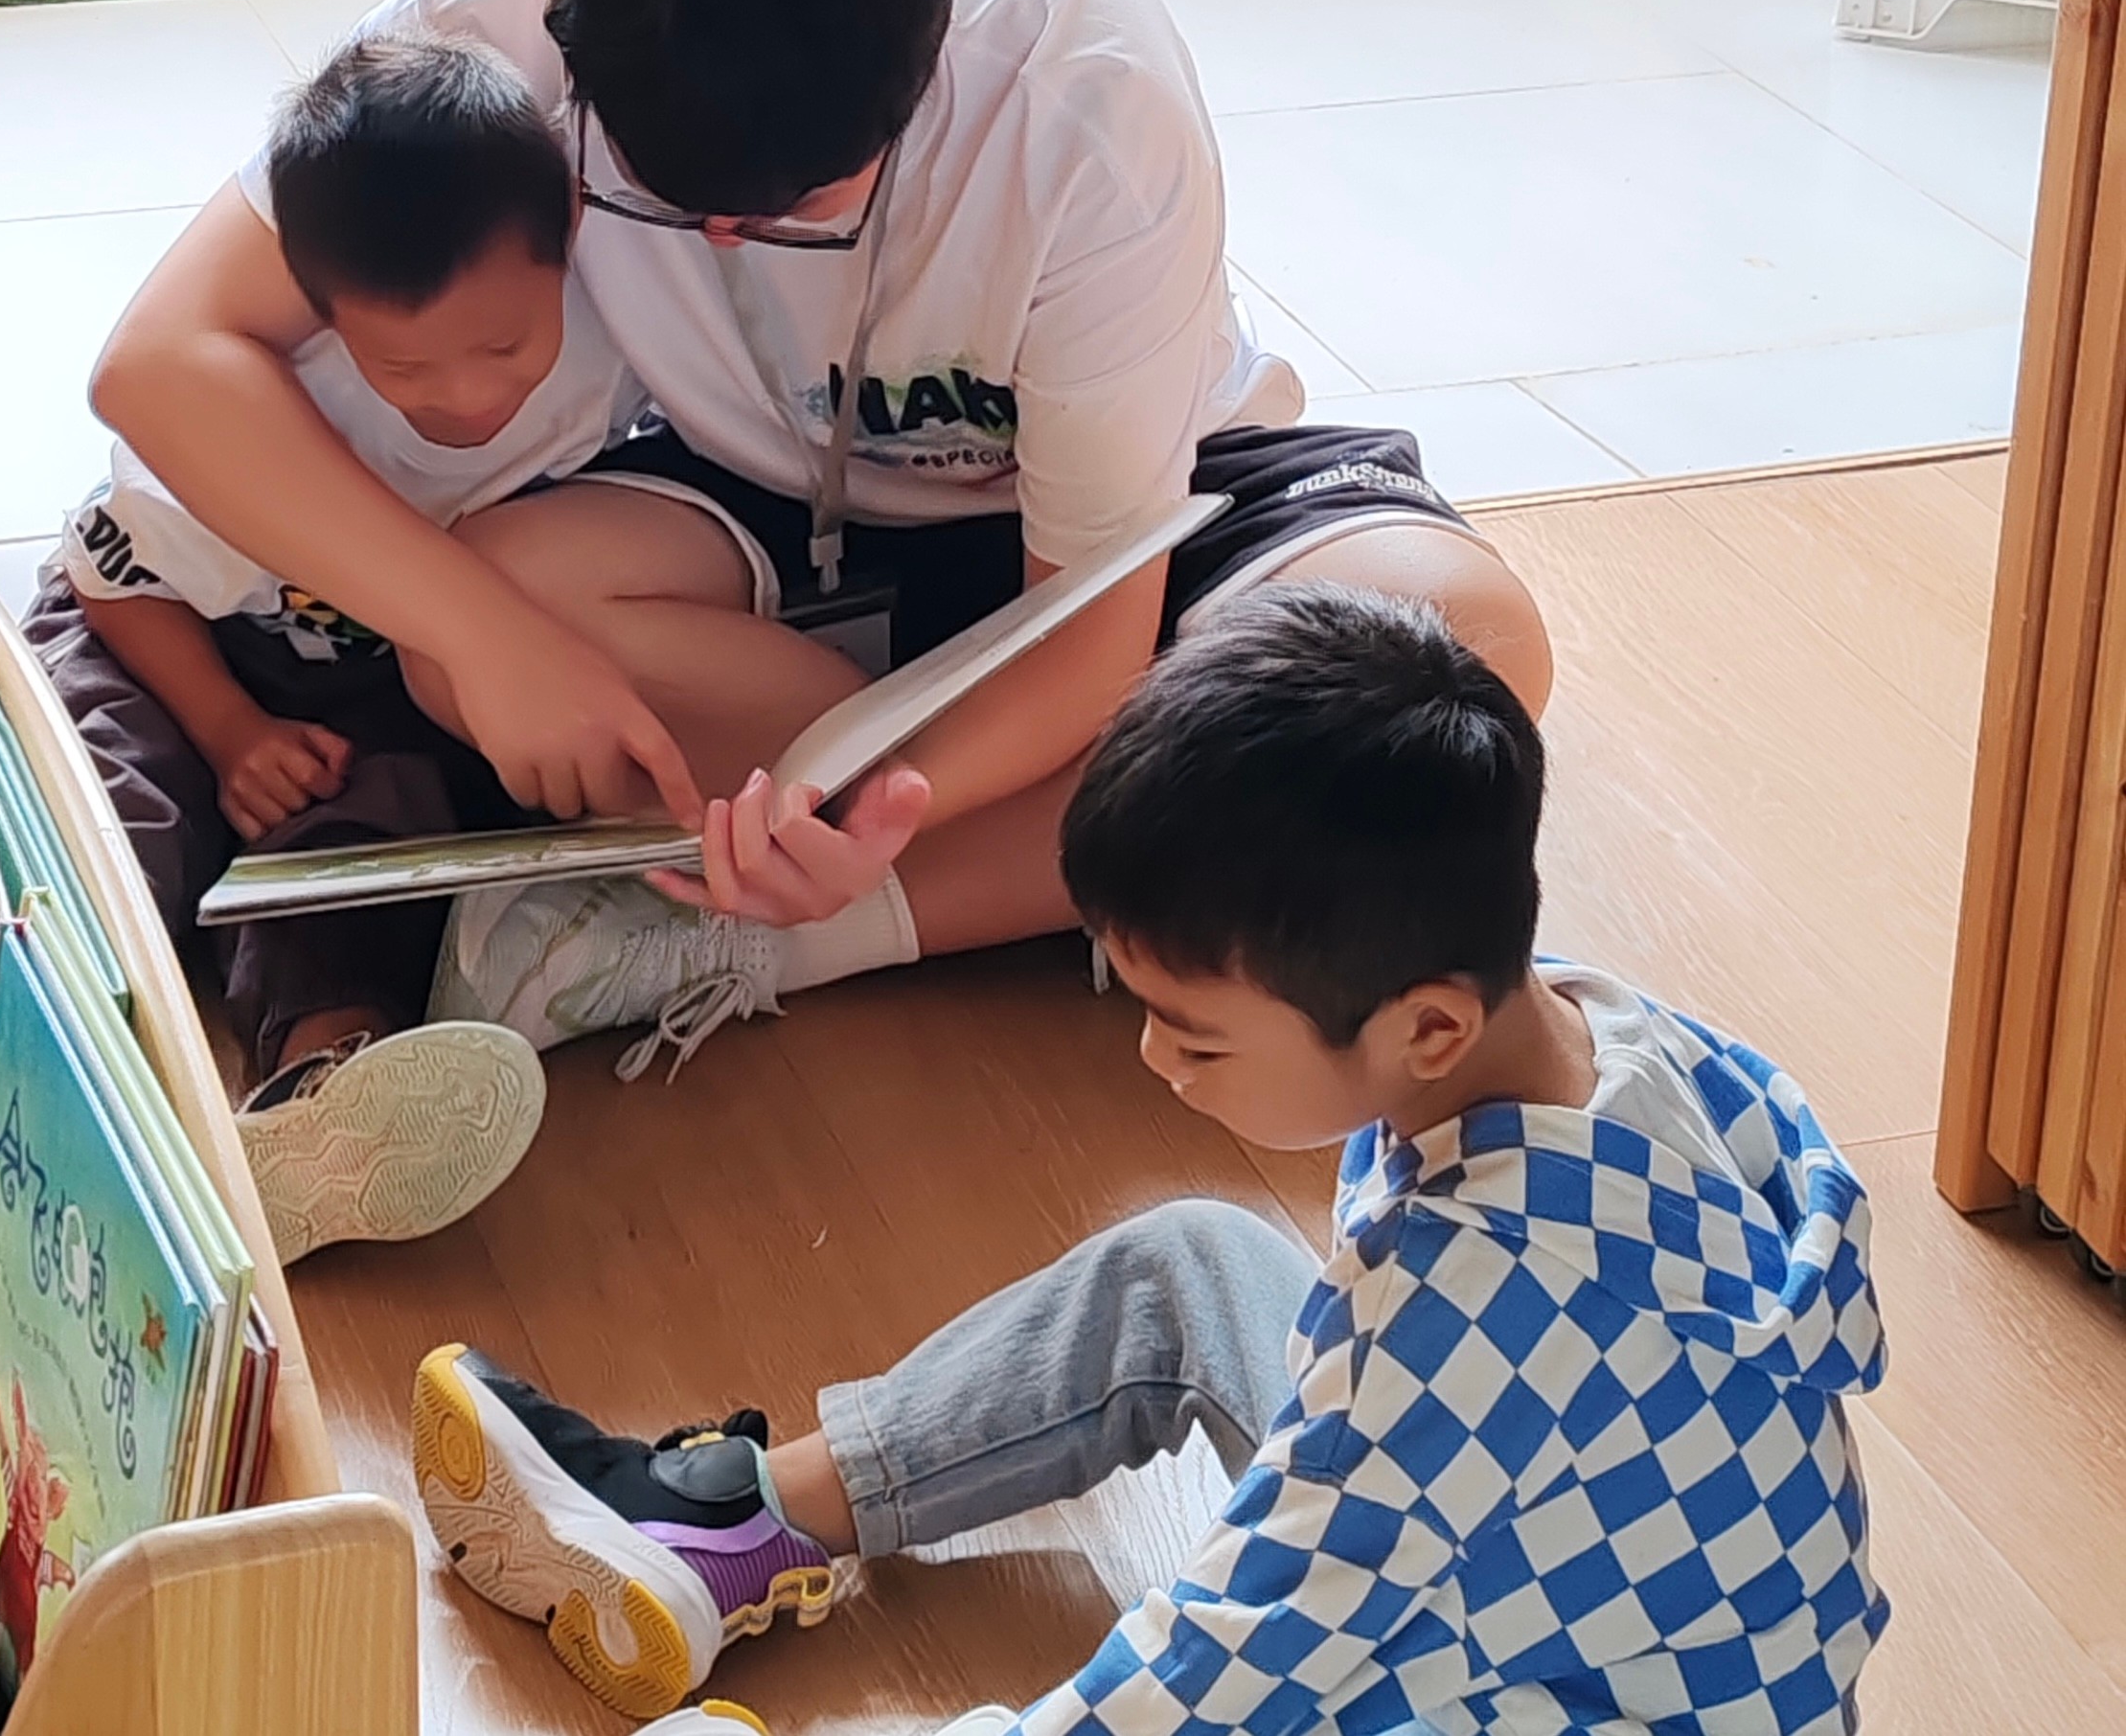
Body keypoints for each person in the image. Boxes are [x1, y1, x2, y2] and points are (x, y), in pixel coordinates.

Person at [92, 0, 1553, 1090]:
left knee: (1463, 646)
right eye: (669, 201)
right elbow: (161, 357)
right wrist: (490, 640)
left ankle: (771, 936)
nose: (728, 239)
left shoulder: (1081, 80)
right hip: (763, 508)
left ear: (922, 68)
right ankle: (1140, 866)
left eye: (795, 206)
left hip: (1131, 538)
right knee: (461, 625)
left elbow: (1092, 627)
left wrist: (867, 819)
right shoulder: (494, 26)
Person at [408, 585, 1888, 1734]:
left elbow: (1236, 1655)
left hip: (1544, 1689)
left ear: (1426, 1024)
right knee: (1192, 1260)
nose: (1153, 1062)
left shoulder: (1461, 1318)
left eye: (1195, 1034)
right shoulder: (1617, 1034)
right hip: (1585, 1605)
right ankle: (725, 1525)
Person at [26, 33, 688, 1260]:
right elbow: (110, 581)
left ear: (571, 232)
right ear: (319, 312)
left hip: (363, 676)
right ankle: (45, 1054)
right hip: (169, 641)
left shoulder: (617, 357)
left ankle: (320, 1093)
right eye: (403, 364)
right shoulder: (277, 423)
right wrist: (228, 730)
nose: (464, 396)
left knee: (376, 832)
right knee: (108, 811)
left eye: (504, 346)